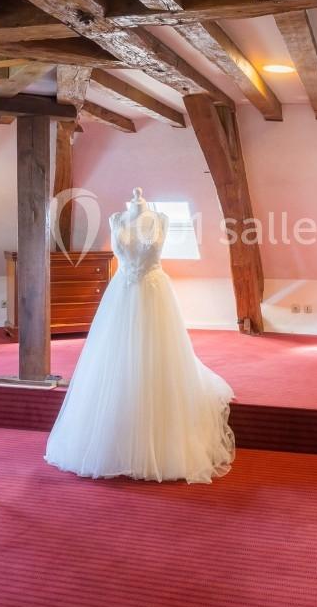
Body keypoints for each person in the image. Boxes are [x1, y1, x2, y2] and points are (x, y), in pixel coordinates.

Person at [45, 188, 235, 483]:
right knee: (115, 359)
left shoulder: (160, 218)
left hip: (154, 294)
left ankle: (163, 445)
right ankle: (111, 441)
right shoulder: (116, 218)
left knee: (156, 355)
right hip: (121, 294)